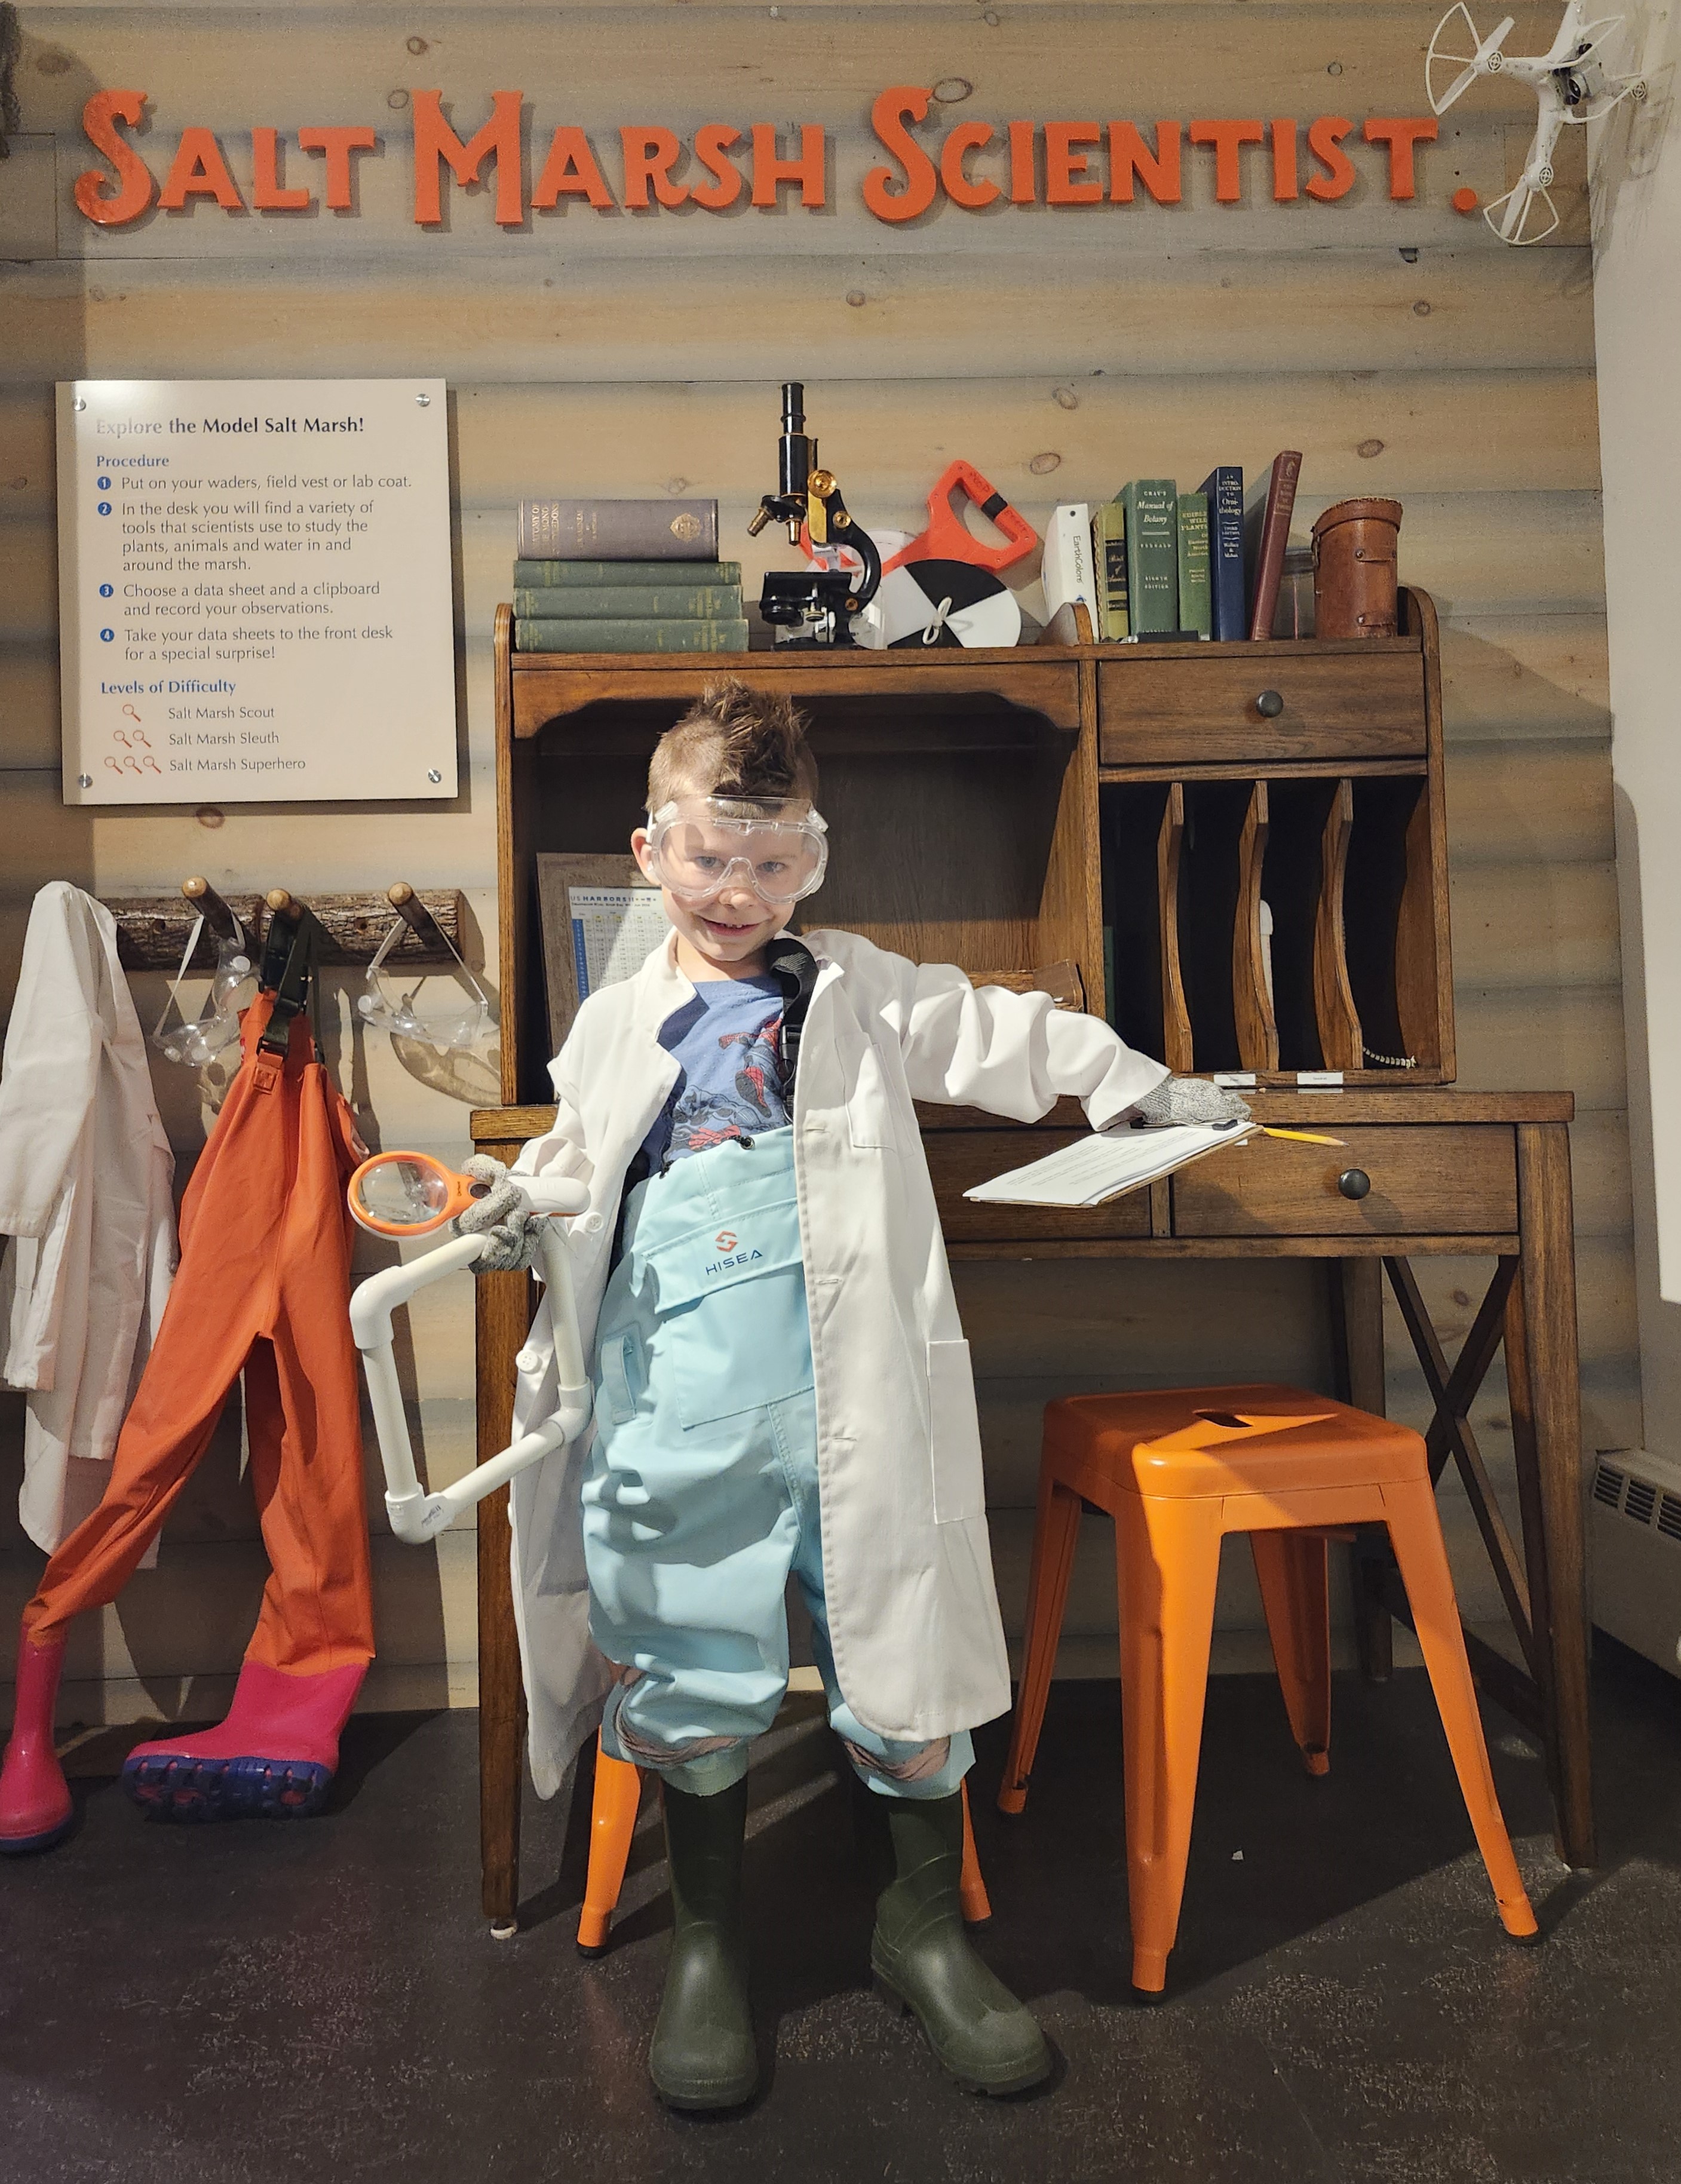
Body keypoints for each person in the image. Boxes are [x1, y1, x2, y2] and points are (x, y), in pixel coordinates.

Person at [472, 679, 1246, 2109]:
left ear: (812, 861)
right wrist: (512, 1204)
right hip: (677, 1389)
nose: (739, 891)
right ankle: (710, 1942)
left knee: (902, 1631)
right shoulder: (607, 1027)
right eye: (710, 857)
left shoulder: (853, 988)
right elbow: (577, 1171)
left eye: (775, 863)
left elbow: (998, 1031)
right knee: (689, 1651)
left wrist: (1132, 1083)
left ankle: (922, 1925)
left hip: (856, 1384)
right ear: (651, 853)